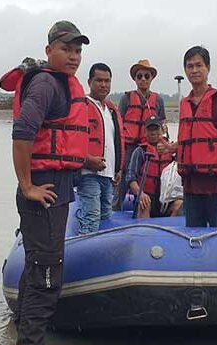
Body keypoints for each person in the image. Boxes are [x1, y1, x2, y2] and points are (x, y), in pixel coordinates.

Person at [4, 20, 90, 345]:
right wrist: (27, 185)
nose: (74, 56)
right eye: (66, 49)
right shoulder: (45, 85)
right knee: (47, 278)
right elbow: (23, 132)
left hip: (57, 187)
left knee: (36, 268)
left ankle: (23, 343)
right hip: (43, 192)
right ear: (49, 50)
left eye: (78, 50)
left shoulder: (63, 84)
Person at [161, 46, 217, 227]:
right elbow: (189, 139)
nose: (194, 70)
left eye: (199, 65)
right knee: (193, 234)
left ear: (208, 68)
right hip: (191, 184)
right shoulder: (184, 103)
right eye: (190, 66)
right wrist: (171, 147)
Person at [77, 62, 124, 234]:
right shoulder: (81, 106)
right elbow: (74, 140)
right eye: (99, 80)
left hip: (109, 175)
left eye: (107, 81)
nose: (104, 85)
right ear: (89, 82)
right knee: (91, 216)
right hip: (89, 173)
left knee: (106, 217)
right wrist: (86, 161)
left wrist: (118, 168)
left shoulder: (111, 110)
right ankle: (84, 255)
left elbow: (115, 141)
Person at [113, 59, 166, 210]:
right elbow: (119, 124)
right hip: (129, 147)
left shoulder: (158, 100)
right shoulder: (127, 98)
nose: (143, 79)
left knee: (151, 179)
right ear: (135, 79)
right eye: (139, 76)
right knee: (122, 181)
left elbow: (162, 125)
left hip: (149, 148)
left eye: (146, 76)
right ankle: (115, 210)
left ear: (151, 78)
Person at [125, 116, 182, 218]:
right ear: (145, 132)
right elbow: (130, 178)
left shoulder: (172, 150)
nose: (153, 133)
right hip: (148, 196)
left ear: (162, 130)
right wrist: (140, 194)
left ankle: (172, 231)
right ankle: (144, 232)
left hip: (167, 199)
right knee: (144, 203)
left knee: (179, 205)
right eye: (150, 130)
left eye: (156, 129)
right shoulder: (140, 151)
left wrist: (173, 150)